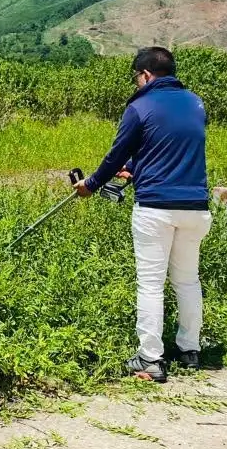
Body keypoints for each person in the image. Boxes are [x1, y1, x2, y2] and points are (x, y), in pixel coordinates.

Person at [76, 47, 210, 383]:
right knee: (188, 280)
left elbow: (115, 154)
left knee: (151, 284)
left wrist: (90, 185)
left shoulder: (139, 107)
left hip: (155, 208)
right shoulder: (196, 103)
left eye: (136, 77)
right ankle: (189, 349)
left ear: (145, 75)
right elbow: (172, 145)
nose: (136, 83)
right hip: (195, 207)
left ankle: (150, 359)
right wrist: (136, 169)